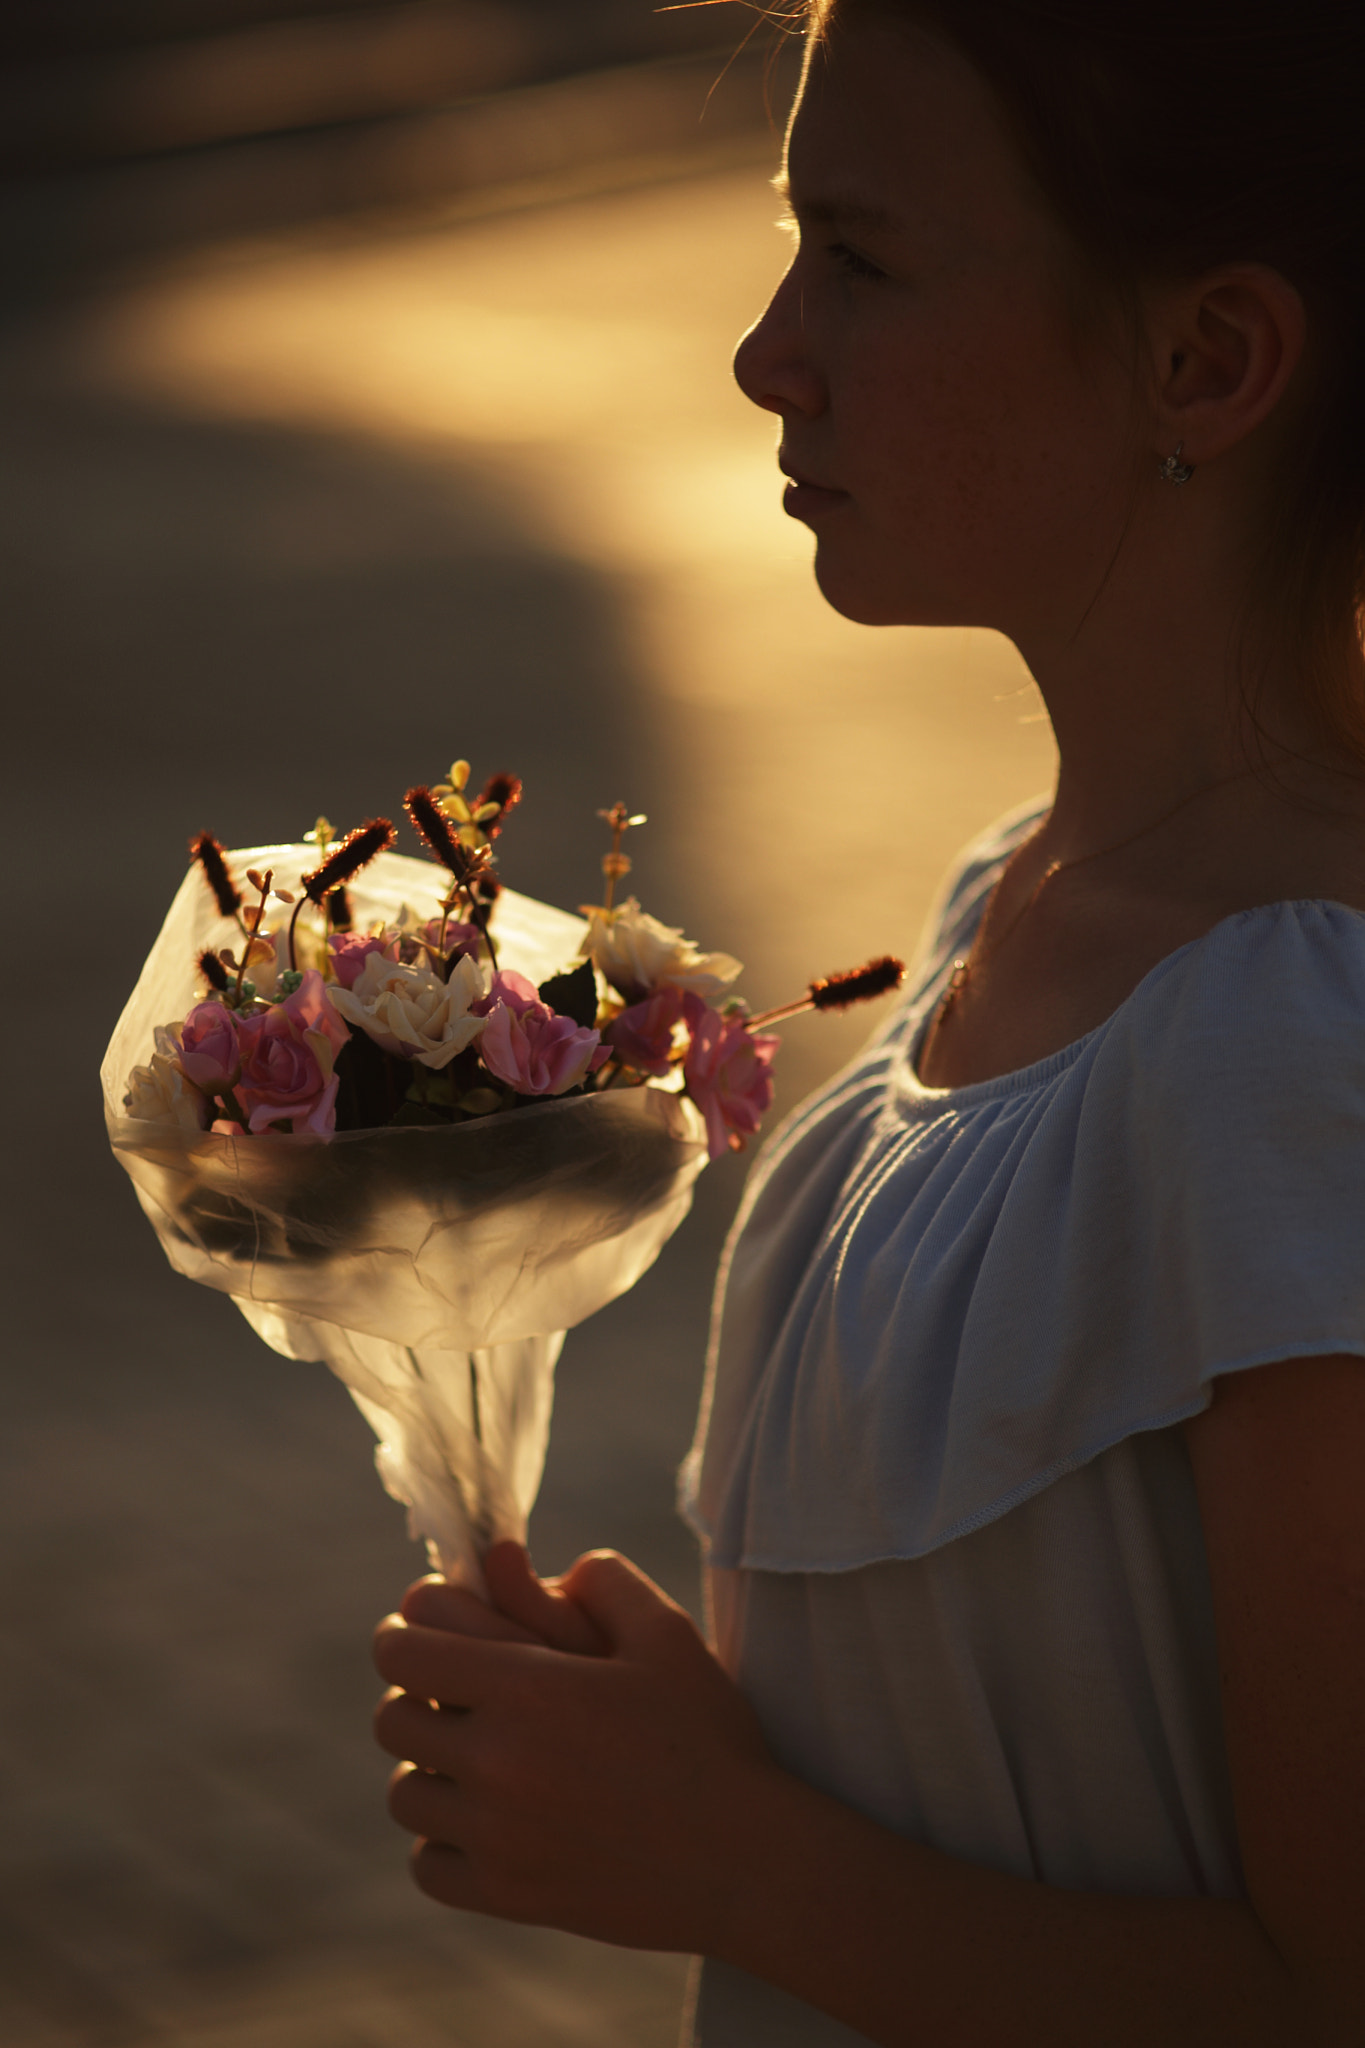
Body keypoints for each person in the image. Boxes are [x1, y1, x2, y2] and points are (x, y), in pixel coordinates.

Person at [370, 3, 1365, 2041]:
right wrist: (654, 1749)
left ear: (1206, 359)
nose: (766, 350)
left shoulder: (1290, 1047)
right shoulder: (1014, 901)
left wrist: (733, 1859)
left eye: (866, 255)